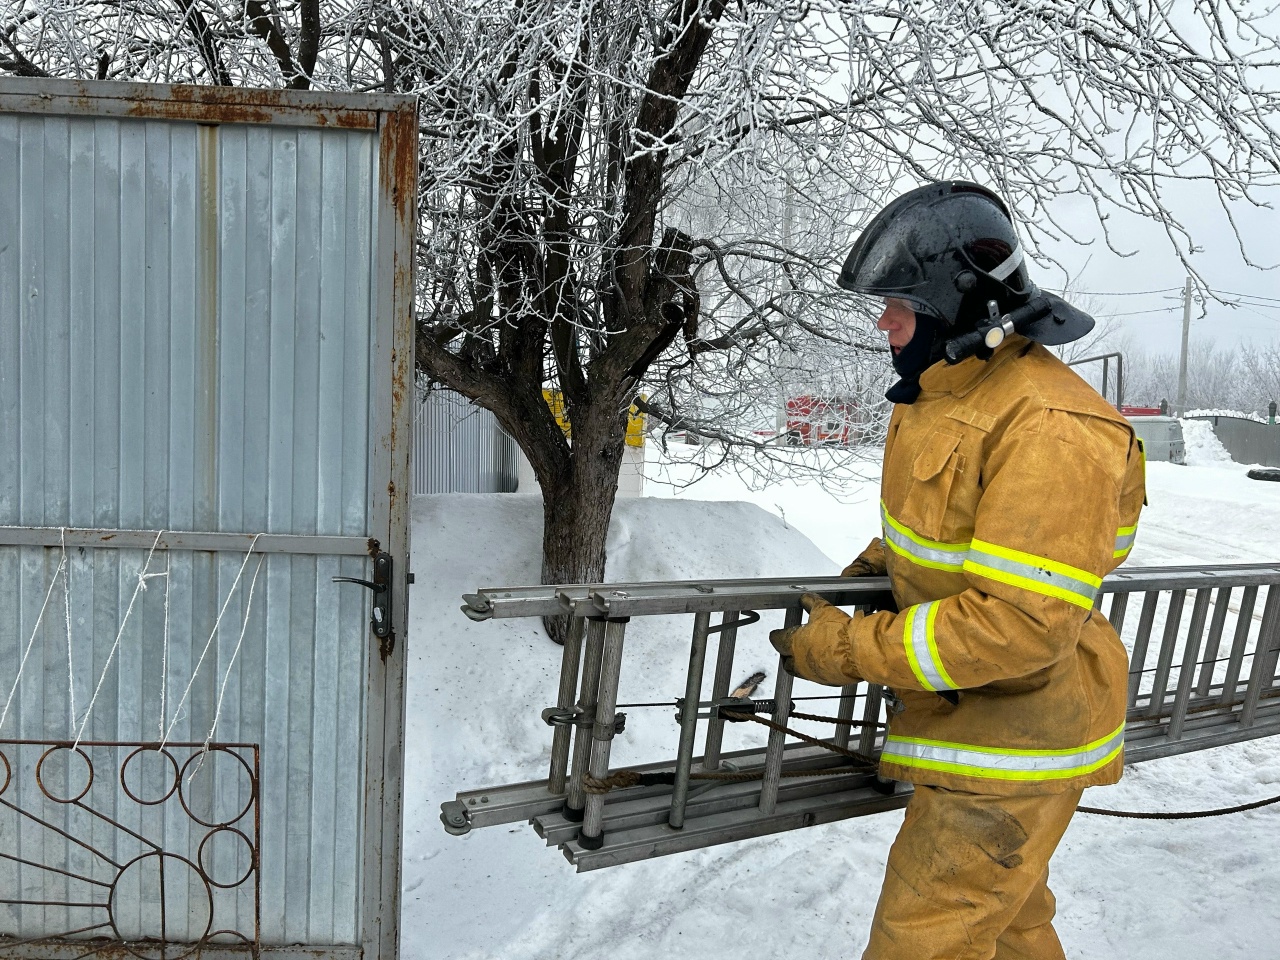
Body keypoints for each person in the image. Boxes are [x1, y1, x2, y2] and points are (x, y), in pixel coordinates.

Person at [770, 181, 1146, 960]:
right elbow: (943, 539)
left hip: (1015, 750)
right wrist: (864, 577)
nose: (883, 323)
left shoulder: (1050, 425)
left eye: (897, 305)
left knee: (922, 944)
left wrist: (846, 650)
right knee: (1010, 931)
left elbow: (1019, 625)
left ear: (951, 306)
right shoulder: (945, 396)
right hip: (978, 729)